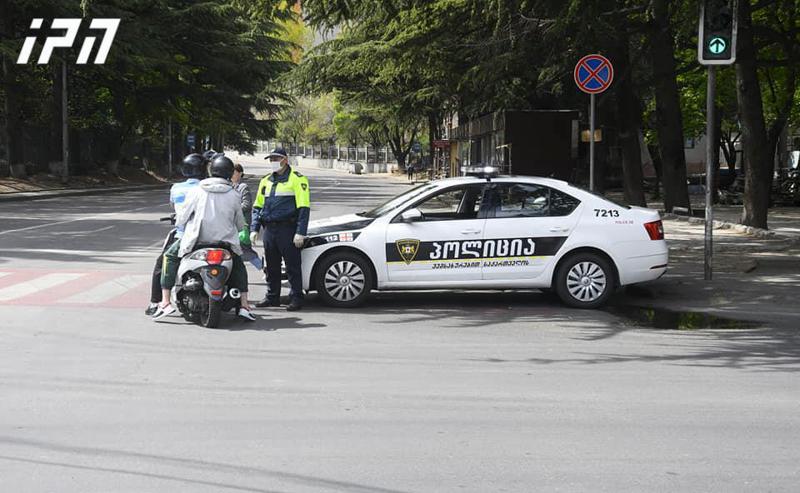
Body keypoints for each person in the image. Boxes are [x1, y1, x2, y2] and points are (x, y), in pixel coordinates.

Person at [153, 156, 256, 322]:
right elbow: (239, 223)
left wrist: (181, 221)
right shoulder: (234, 194)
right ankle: (244, 305)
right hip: (225, 244)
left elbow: (182, 217)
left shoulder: (197, 190)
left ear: (211, 171)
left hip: (196, 241)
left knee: (170, 257)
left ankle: (165, 302)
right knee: (238, 264)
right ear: (230, 173)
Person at [250, 148, 310, 311]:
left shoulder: (297, 180)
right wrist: (254, 228)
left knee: (292, 266)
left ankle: (296, 297)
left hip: (288, 228)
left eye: (276, 158)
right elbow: (257, 206)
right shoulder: (266, 181)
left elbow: (304, 208)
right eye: (271, 159)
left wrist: (300, 232)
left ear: (285, 159)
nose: (273, 161)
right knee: (271, 266)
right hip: (270, 230)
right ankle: (272, 297)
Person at [145, 153, 205, 316]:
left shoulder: (177, 188)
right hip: (210, 235)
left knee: (162, 263)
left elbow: (176, 208)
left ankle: (158, 302)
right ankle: (242, 301)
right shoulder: (208, 187)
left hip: (183, 235)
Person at [232, 162, 263, 270]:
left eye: (235, 172)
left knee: (245, 249)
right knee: (238, 250)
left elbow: (247, 204)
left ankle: (264, 268)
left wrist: (232, 209)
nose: (232, 174)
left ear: (240, 173)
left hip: (242, 223)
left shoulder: (243, 187)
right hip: (232, 224)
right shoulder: (229, 186)